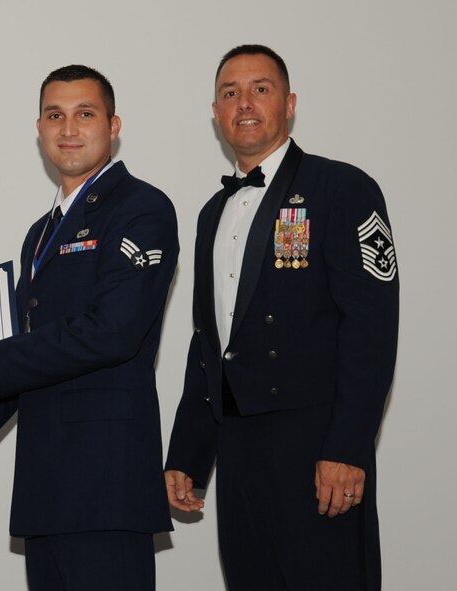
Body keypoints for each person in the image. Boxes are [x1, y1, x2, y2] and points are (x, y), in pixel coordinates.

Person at [164, 45, 399, 590]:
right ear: (216, 113)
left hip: (316, 446)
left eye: (260, 89)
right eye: (230, 93)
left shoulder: (342, 188)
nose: (244, 103)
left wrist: (347, 448)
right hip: (239, 449)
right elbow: (209, 340)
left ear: (289, 104)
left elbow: (371, 330)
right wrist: (188, 453)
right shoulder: (211, 213)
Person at [0, 65, 179, 590]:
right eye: (54, 116)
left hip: (106, 487)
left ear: (113, 126)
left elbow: (111, 331)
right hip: (47, 490)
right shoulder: (40, 234)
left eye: (84, 114)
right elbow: (24, 353)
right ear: (39, 129)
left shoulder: (142, 209)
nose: (68, 129)